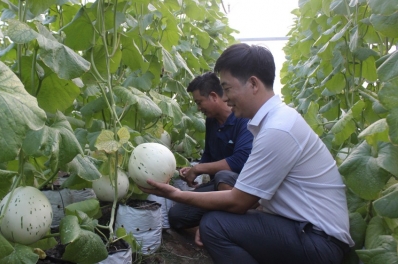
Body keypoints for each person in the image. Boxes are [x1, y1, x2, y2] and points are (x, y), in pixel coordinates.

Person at [140, 43, 354, 264]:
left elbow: (239, 202)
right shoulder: (274, 120)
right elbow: (250, 198)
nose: (224, 98)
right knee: (221, 207)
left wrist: (174, 194)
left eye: (228, 88)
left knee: (215, 226)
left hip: (321, 243)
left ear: (253, 84)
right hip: (305, 229)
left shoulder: (277, 129)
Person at [168, 72, 253, 229]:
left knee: (223, 176)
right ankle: (216, 216)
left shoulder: (243, 119)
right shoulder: (211, 121)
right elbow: (208, 153)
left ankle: (241, 216)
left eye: (200, 102)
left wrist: (199, 168)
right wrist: (193, 170)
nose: (198, 108)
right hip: (217, 186)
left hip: (241, 188)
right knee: (177, 217)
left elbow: (241, 160)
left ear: (214, 96)